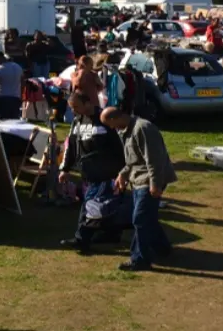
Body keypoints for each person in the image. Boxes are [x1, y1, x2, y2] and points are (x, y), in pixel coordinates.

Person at [102, 107, 176, 272]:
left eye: (110, 124)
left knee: (140, 218)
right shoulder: (126, 131)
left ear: (116, 119)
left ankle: (140, 259)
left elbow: (154, 159)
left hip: (149, 179)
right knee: (147, 217)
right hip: (138, 178)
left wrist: (155, 184)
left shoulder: (143, 128)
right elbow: (133, 160)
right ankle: (163, 249)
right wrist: (123, 174)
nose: (112, 129)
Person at [58, 91, 127, 255]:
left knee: (91, 206)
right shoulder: (76, 121)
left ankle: (81, 239)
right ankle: (111, 233)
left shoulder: (104, 120)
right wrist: (65, 168)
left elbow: (120, 148)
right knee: (104, 206)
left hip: (105, 173)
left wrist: (122, 172)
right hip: (88, 173)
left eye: (76, 107)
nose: (74, 111)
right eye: (71, 108)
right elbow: (72, 147)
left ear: (88, 103)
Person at [0, 52, 24, 120]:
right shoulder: (18, 67)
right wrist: (21, 97)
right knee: (14, 121)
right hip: (15, 100)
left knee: (0, 122)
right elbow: (23, 83)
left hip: (1, 100)